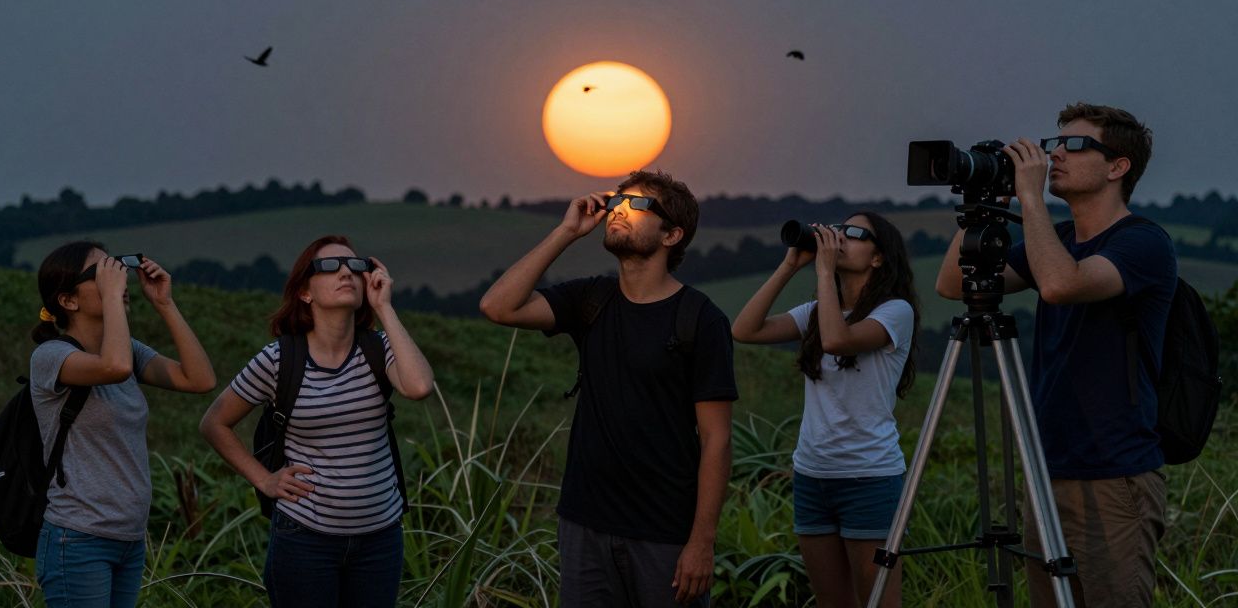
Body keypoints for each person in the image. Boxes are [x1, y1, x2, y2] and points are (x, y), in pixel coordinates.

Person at [935, 103, 1174, 607]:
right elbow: (951, 284)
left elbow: (1062, 285)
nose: (1055, 154)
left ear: (1118, 166)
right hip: (1048, 473)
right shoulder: (1059, 239)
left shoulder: (1144, 243)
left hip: (1114, 475)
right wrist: (984, 203)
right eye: (1054, 143)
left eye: (1075, 145)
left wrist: (1029, 202)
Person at [479, 169, 736, 607]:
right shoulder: (591, 300)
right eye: (618, 201)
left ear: (672, 234)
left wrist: (701, 542)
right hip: (585, 526)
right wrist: (566, 231)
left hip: (665, 534)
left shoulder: (701, 319)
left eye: (638, 205)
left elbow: (717, 439)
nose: (619, 210)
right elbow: (497, 306)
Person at [199, 235, 433, 608]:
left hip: (380, 538)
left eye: (356, 267)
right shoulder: (279, 360)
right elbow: (214, 423)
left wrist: (385, 308)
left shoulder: (378, 348)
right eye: (329, 266)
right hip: (304, 538)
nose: (346, 273)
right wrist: (263, 479)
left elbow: (419, 386)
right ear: (305, 292)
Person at [732, 213, 919, 608]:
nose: (840, 237)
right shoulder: (819, 311)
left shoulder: (896, 311)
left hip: (868, 478)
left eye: (855, 234)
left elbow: (837, 340)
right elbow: (745, 329)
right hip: (812, 476)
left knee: (880, 603)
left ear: (878, 258)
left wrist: (823, 271)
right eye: (840, 229)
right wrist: (789, 266)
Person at [29, 242, 216, 608]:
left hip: (128, 539)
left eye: (117, 268)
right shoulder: (51, 357)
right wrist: (114, 297)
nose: (119, 278)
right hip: (78, 538)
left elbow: (199, 379)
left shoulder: (126, 349)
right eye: (102, 273)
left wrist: (163, 303)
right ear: (68, 301)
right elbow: (114, 369)